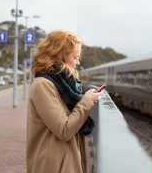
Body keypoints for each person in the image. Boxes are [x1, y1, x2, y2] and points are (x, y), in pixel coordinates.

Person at [26, 30, 104, 173]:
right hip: (52, 166)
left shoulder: (62, 85)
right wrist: (86, 101)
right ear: (60, 55)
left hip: (61, 163)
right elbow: (64, 130)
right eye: (75, 57)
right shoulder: (43, 85)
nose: (78, 62)